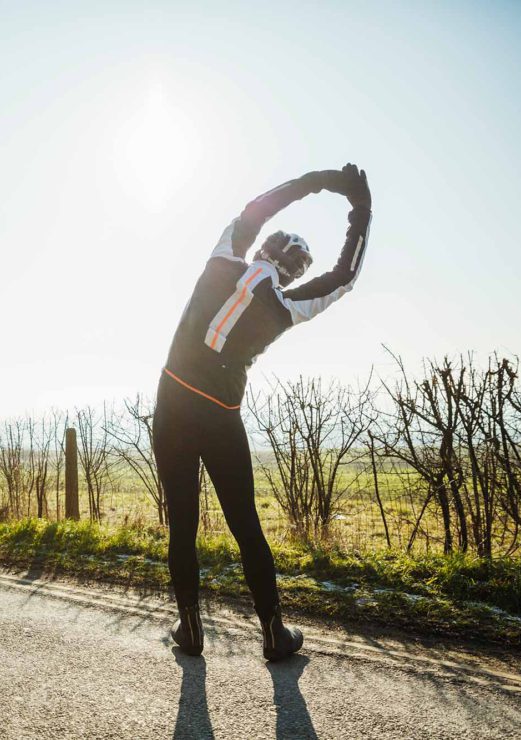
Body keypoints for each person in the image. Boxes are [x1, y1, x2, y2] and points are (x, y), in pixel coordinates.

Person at [153, 164, 372, 661]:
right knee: (245, 524)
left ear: (261, 248)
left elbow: (261, 204)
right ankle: (273, 633)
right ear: (295, 272)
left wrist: (324, 181)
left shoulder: (222, 259)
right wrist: (361, 211)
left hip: (172, 404)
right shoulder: (285, 306)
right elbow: (345, 278)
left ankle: (190, 629)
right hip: (220, 417)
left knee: (183, 522)